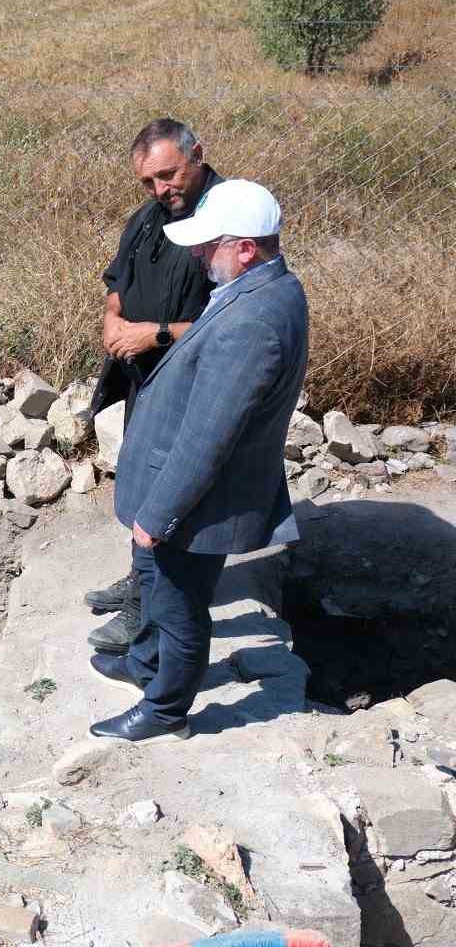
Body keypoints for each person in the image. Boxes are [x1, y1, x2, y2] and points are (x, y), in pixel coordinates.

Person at [88, 179, 307, 743]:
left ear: (245, 248)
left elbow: (209, 437)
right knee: (164, 589)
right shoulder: (266, 288)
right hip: (197, 487)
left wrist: (157, 514)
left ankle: (165, 710)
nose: (196, 254)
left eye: (209, 246)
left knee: (179, 603)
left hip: (199, 497)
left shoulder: (253, 323)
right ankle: (145, 665)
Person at [84, 119, 224, 656]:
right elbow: (117, 283)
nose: (160, 189)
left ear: (197, 155)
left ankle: (150, 610)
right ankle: (140, 581)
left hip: (191, 384)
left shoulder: (224, 223)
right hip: (144, 378)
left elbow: (233, 317)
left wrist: (157, 333)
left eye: (168, 176)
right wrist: (113, 321)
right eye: (148, 181)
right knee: (141, 483)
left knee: (170, 494)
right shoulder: (148, 217)